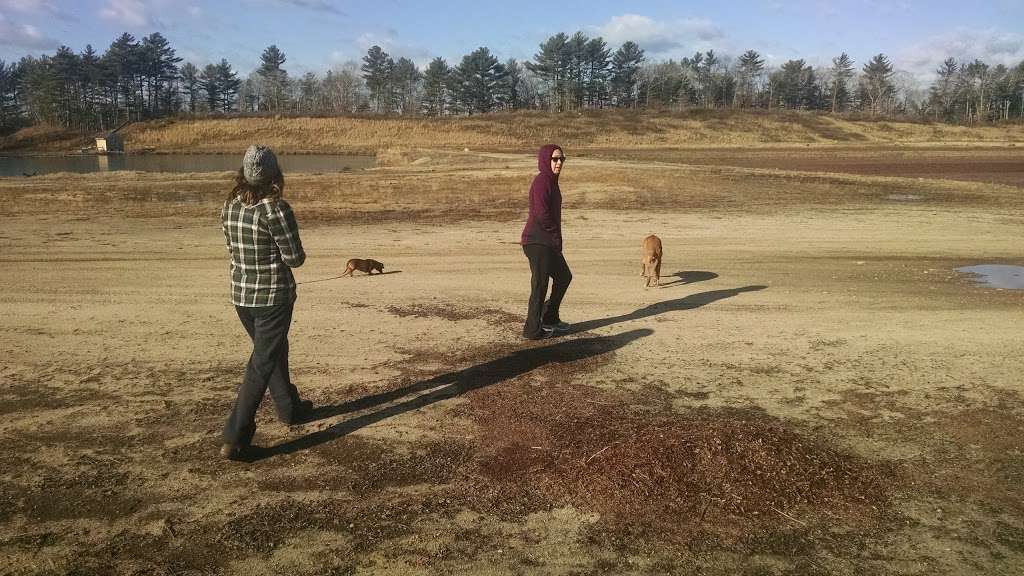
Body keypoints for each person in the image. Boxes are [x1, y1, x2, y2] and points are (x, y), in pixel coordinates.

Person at [219, 145, 312, 460]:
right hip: (273, 298)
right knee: (261, 363)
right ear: (274, 175)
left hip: (242, 297)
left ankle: (289, 409)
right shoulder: (276, 209)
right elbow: (295, 259)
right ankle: (235, 437)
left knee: (272, 351)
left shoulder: (230, 205)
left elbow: (233, 250)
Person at [520, 144, 572, 340]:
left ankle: (550, 317)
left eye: (561, 159)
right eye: (555, 159)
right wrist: (555, 235)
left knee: (564, 276)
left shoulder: (552, 182)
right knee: (540, 284)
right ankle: (532, 329)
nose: (559, 163)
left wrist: (555, 238)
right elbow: (542, 214)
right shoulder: (542, 181)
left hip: (547, 241)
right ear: (545, 160)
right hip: (536, 241)